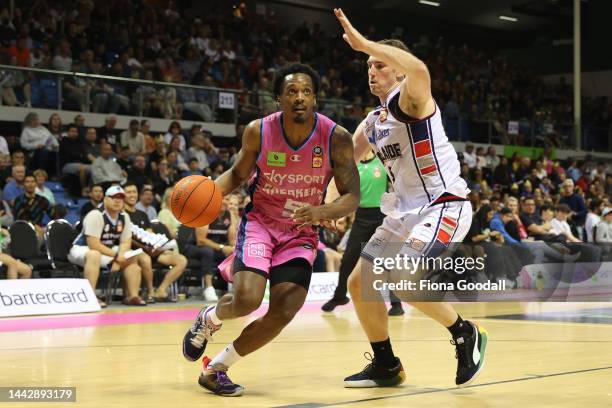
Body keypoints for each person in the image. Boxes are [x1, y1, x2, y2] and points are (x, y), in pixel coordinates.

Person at [181, 62, 360, 396]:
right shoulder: (258, 131)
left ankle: (217, 368)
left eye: (306, 91)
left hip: (301, 232)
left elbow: (353, 197)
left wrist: (321, 210)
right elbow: (236, 175)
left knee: (284, 311)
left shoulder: (336, 138)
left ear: (316, 100)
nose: (299, 97)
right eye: (291, 91)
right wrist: (204, 197)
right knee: (247, 300)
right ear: (279, 98)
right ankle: (209, 318)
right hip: (261, 223)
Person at [334, 8, 487, 389]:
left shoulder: (412, 98)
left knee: (403, 277)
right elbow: (346, 162)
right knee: (359, 282)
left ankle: (465, 332)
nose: (371, 70)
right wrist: (328, 202)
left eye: (380, 64)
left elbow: (420, 70)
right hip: (402, 214)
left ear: (398, 71)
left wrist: (364, 42)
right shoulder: (373, 121)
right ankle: (386, 364)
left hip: (442, 204)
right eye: (368, 64)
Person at [321, 148, 404, 315]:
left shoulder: (382, 161)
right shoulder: (354, 165)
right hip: (361, 217)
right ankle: (339, 296)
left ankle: (397, 304)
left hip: (382, 217)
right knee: (348, 259)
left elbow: (398, 180)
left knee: (387, 262)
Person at [68, 186, 143, 307]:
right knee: (94, 255)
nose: (118, 201)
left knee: (131, 256)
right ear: (105, 199)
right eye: (114, 198)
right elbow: (93, 244)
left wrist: (119, 259)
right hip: (82, 248)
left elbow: (125, 242)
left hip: (106, 251)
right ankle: (90, 296)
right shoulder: (96, 215)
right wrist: (116, 257)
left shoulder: (124, 216)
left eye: (120, 198)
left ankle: (131, 296)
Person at [122, 182, 186, 302]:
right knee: (145, 258)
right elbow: (127, 238)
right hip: (135, 250)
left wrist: (159, 247)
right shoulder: (122, 214)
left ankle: (161, 290)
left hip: (151, 250)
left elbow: (150, 234)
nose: (132, 195)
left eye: (134, 192)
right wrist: (146, 248)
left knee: (181, 260)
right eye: (128, 192)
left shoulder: (142, 214)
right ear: (123, 195)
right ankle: (150, 292)